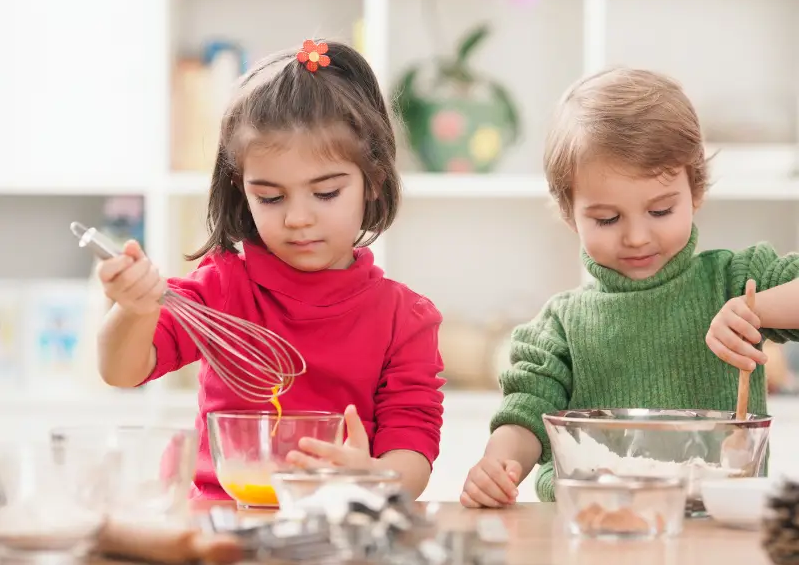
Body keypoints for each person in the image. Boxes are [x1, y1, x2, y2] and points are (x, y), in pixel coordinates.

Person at [95, 39, 445, 500]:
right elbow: (122, 371)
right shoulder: (220, 289)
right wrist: (134, 310)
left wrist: (375, 479)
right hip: (218, 521)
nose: (298, 218)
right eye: (271, 197)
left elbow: (412, 445)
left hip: (332, 522)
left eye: (325, 193)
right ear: (243, 191)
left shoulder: (405, 318)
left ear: (374, 180)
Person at [461, 67, 799, 507]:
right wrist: (498, 465)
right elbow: (524, 416)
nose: (637, 237)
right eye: (607, 219)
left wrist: (759, 310)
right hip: (594, 525)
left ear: (695, 191)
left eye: (660, 211)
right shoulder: (559, 327)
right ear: (570, 213)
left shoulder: (737, 281)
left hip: (714, 526)